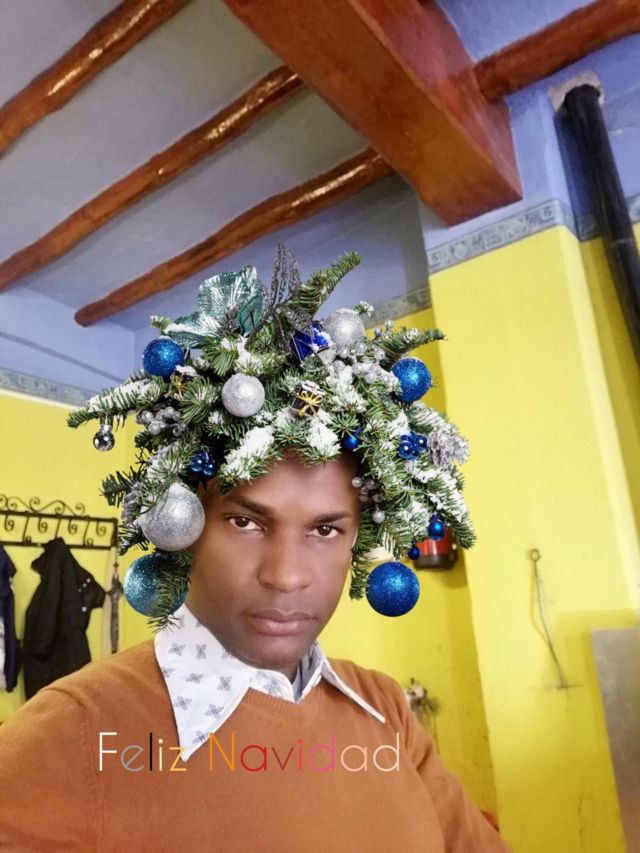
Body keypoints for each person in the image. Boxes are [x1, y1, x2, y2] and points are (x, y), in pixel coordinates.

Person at [0, 248, 510, 851]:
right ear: (184, 526)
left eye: (325, 530)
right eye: (245, 522)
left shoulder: (385, 712)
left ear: (360, 539)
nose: (286, 577)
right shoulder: (71, 738)